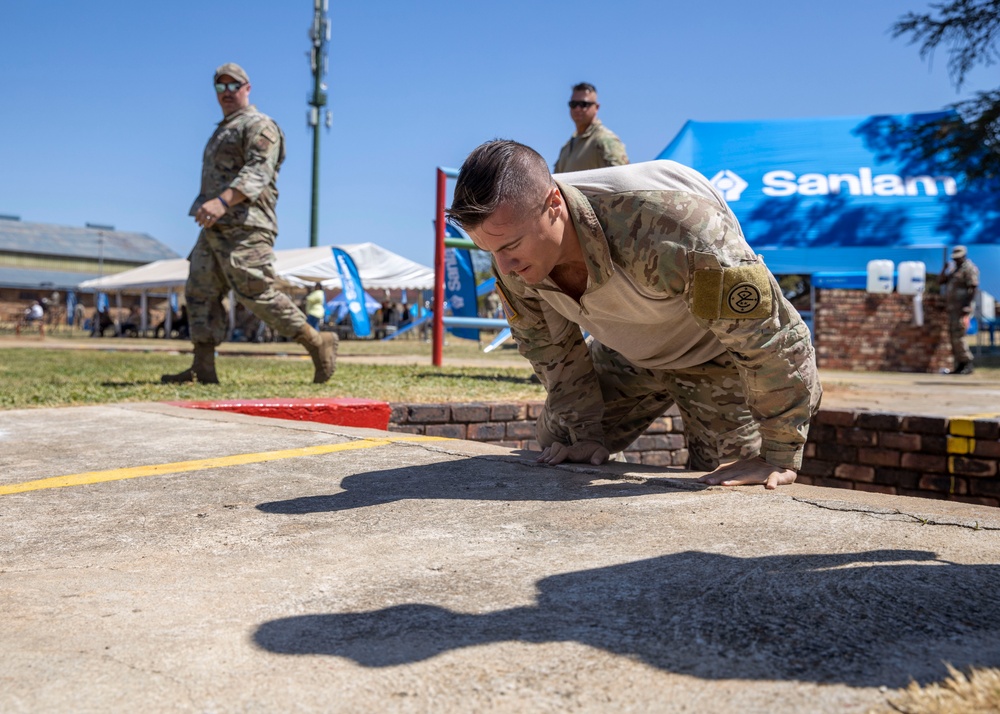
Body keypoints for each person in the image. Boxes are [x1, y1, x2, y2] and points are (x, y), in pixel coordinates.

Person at [447, 140, 822, 489]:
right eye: (488, 250)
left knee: (728, 483)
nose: (505, 267)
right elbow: (549, 348)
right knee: (560, 444)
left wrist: (779, 450)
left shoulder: (672, 227)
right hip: (629, 354)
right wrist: (586, 433)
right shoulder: (510, 250)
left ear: (554, 204)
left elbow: (769, 336)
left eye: (512, 246)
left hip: (718, 357)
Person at [162, 62, 337, 385]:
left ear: (247, 88)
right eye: (220, 87)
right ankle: (203, 366)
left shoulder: (260, 125)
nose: (227, 93)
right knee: (200, 292)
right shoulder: (224, 128)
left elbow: (258, 170)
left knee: (258, 293)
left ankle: (317, 342)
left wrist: (223, 201)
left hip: (247, 225)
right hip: (214, 227)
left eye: (233, 85)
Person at [553, 83, 629, 174]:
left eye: (583, 104)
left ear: (596, 107)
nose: (577, 109)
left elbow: (623, 177)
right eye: (573, 104)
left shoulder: (604, 139)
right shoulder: (567, 147)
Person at [939, 245, 980, 375]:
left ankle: (967, 363)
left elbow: (973, 287)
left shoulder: (969, 268)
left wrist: (967, 305)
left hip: (962, 309)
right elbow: (941, 281)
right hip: (953, 309)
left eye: (958, 258)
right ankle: (959, 364)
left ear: (964, 256)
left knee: (959, 336)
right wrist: (944, 270)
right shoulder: (953, 269)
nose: (956, 260)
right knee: (953, 336)